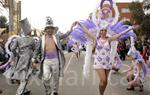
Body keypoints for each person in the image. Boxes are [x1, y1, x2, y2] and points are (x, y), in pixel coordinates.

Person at [78, 21, 136, 95]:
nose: (103, 32)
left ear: (106, 31)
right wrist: (80, 24)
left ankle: (102, 93)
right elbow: (87, 32)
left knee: (105, 82)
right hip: (98, 63)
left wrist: (129, 29)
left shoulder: (109, 39)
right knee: (104, 79)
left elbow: (120, 34)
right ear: (100, 31)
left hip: (107, 63)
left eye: (105, 30)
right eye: (102, 30)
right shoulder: (96, 39)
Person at [32, 17, 76, 95]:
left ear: (53, 29)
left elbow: (65, 35)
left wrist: (71, 28)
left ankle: (55, 91)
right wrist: (33, 60)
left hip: (55, 60)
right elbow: (36, 50)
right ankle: (48, 91)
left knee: (56, 78)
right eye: (48, 28)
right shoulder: (41, 39)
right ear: (45, 29)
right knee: (46, 78)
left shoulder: (57, 37)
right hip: (46, 61)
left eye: (51, 28)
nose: (50, 30)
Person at [3, 18, 35, 95]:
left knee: (23, 76)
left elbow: (13, 48)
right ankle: (19, 93)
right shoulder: (31, 40)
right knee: (25, 78)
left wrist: (17, 54)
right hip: (27, 60)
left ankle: (26, 90)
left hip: (20, 60)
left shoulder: (18, 39)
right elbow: (33, 49)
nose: (31, 32)